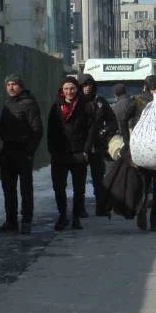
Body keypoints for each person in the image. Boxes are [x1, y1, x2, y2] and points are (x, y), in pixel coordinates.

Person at [0, 74, 43, 234]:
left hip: (23, 153)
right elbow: (2, 127)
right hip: (7, 152)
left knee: (25, 189)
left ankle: (26, 221)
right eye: (8, 85)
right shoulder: (7, 104)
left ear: (21, 86)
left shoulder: (29, 104)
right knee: (8, 189)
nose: (11, 87)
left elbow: (37, 131)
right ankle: (11, 221)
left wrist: (30, 152)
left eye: (14, 84)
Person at [120, 75, 156, 231]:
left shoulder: (137, 100)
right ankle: (155, 222)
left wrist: (127, 141)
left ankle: (141, 211)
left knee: (143, 184)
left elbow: (122, 119)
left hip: (142, 148)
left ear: (145, 86)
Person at [48, 76, 96, 231]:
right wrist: (53, 152)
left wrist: (86, 151)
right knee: (59, 187)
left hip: (78, 154)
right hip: (60, 154)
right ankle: (62, 216)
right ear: (62, 91)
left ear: (77, 90)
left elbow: (91, 131)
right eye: (66, 89)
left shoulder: (85, 107)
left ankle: (76, 217)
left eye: (72, 89)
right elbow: (50, 132)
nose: (69, 92)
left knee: (79, 188)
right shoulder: (55, 107)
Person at [79, 74, 118, 217]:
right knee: (80, 179)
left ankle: (101, 207)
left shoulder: (100, 102)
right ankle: (80, 209)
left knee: (99, 178)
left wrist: (105, 132)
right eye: (84, 85)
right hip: (81, 146)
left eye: (90, 85)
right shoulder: (76, 102)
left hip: (97, 146)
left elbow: (112, 121)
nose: (87, 88)